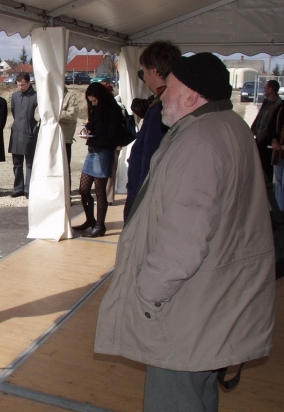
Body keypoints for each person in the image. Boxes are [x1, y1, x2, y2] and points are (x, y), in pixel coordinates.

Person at [94, 53, 275, 412]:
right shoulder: (228, 125)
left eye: (170, 88)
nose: (161, 96)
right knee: (197, 396)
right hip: (213, 301)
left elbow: (184, 240)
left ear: (191, 96)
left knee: (175, 399)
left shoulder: (200, 141)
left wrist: (146, 296)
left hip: (187, 310)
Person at [123, 40, 182, 221]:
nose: (144, 77)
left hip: (145, 199)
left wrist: (140, 201)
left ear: (154, 71)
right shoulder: (166, 102)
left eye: (144, 70)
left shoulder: (162, 109)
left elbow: (150, 158)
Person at [72, 83, 122, 237]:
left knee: (100, 191)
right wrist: (86, 130)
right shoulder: (96, 109)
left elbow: (111, 136)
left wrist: (92, 137)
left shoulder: (113, 110)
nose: (93, 104)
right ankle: (90, 220)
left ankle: (100, 225)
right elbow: (91, 125)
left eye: (94, 101)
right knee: (84, 189)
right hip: (93, 150)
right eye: (91, 101)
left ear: (101, 97)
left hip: (104, 152)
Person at [8, 72, 39, 198]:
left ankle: (29, 188)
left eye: (23, 85)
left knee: (30, 164)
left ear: (29, 82)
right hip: (16, 133)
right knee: (17, 163)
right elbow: (13, 112)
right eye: (19, 85)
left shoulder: (36, 96)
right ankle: (18, 188)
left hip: (30, 133)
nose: (21, 87)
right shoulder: (15, 96)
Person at [251, 79, 282, 181]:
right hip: (259, 137)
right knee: (258, 165)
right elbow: (260, 118)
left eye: (265, 88)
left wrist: (273, 139)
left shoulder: (278, 104)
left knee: (266, 167)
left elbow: (274, 124)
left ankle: (268, 186)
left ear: (271, 89)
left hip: (267, 140)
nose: (263, 90)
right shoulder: (266, 101)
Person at [59, 86, 79, 188]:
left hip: (64, 139)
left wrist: (54, 113)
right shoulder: (48, 96)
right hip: (49, 139)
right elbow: (37, 114)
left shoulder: (70, 97)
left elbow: (72, 115)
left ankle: (66, 190)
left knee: (65, 166)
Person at [272, 104, 284, 210]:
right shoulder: (281, 108)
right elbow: (273, 127)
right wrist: (274, 140)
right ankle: (280, 209)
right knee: (279, 181)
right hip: (280, 152)